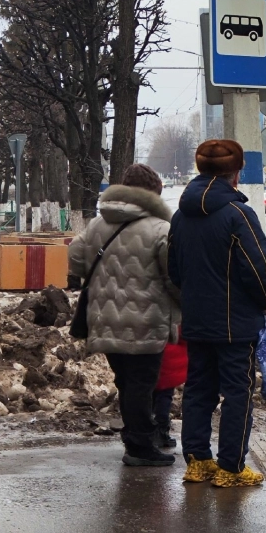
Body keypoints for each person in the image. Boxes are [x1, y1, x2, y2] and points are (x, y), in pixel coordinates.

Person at [169, 139, 266, 488]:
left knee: (198, 389)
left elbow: (174, 270)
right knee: (238, 392)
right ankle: (231, 467)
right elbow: (258, 270)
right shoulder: (238, 215)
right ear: (236, 171)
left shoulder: (180, 215)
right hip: (235, 325)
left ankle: (198, 461)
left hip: (197, 321)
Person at [68, 164, 179, 467]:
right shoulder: (161, 228)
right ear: (151, 194)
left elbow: (75, 258)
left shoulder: (96, 224)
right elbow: (173, 277)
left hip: (103, 318)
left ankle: (134, 437)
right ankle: (140, 446)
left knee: (126, 381)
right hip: (147, 320)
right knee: (143, 383)